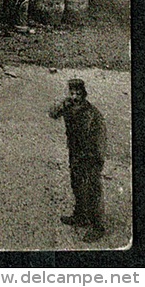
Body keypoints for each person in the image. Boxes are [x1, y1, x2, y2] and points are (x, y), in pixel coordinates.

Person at [49, 78, 107, 241]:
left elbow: (98, 138)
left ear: (84, 94)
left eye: (78, 94)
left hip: (90, 153)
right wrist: (62, 103)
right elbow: (52, 113)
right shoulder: (69, 106)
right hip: (76, 152)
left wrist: (97, 159)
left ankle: (98, 226)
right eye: (72, 93)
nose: (75, 97)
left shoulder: (90, 113)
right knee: (76, 183)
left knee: (92, 188)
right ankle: (81, 215)